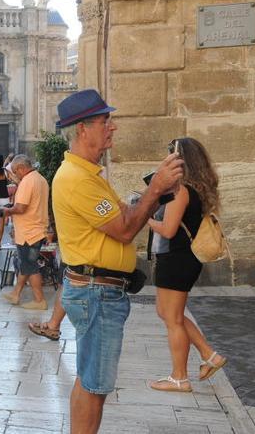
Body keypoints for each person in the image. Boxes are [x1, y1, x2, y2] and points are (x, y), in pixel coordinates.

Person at [53, 89, 183, 434]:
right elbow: (125, 229)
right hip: (96, 293)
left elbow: (124, 215)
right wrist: (155, 189)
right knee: (94, 385)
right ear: (83, 129)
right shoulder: (77, 179)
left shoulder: (88, 175)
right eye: (104, 121)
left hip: (99, 291)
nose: (112, 127)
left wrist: (155, 191)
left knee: (91, 381)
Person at [147, 137, 226, 392]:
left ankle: (179, 378)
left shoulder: (182, 191)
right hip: (183, 259)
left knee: (173, 319)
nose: (167, 160)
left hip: (176, 259)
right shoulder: (197, 189)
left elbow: (168, 230)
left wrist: (144, 217)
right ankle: (209, 355)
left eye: (171, 155)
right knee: (169, 314)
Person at [0, 155, 50, 309]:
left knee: (30, 266)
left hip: (29, 231)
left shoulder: (28, 181)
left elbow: (21, 207)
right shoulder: (40, 179)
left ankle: (39, 300)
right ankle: (16, 294)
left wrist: (6, 211)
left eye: (15, 171)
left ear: (21, 168)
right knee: (26, 265)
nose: (15, 174)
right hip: (36, 228)